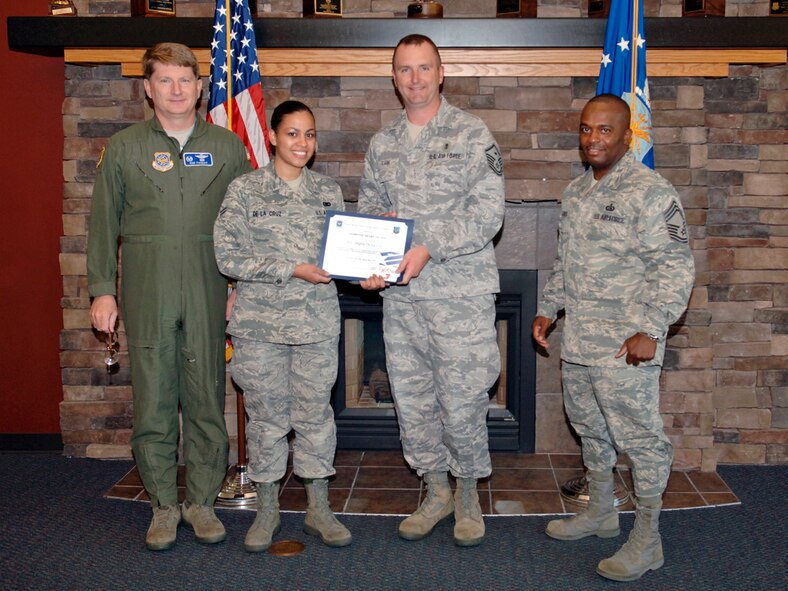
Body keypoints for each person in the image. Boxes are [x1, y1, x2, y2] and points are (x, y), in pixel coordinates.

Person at [87, 42, 253, 551]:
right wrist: (101, 292)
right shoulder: (124, 147)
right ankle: (162, 504)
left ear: (201, 87)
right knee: (155, 399)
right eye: (165, 80)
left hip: (208, 286)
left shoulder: (226, 147)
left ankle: (201, 502)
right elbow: (101, 226)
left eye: (186, 80)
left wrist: (240, 289)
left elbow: (246, 225)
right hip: (147, 287)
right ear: (148, 88)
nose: (177, 90)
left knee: (205, 397)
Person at [532, 94, 695, 582]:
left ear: (628, 136)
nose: (593, 139)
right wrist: (546, 308)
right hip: (580, 342)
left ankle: (647, 539)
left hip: (627, 346)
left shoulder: (651, 193)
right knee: (591, 429)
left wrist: (653, 327)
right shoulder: (576, 192)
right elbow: (567, 262)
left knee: (641, 441)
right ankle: (601, 512)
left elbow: (676, 266)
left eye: (605, 131)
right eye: (586, 130)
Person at [357, 34, 505, 547]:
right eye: (404, 69)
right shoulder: (383, 144)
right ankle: (435, 490)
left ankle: (467, 496)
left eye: (424, 68)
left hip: (459, 295)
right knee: (414, 400)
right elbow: (370, 213)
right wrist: (370, 267)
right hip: (402, 301)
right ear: (394, 79)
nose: (415, 78)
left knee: (463, 400)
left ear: (441, 74)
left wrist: (429, 247)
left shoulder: (472, 134)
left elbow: (488, 214)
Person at [213, 100, 352, 551]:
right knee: (266, 419)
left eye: (310, 134)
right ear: (272, 136)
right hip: (261, 328)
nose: (302, 143)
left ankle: (318, 508)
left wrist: (374, 262)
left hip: (316, 325)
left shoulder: (329, 191)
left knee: (316, 417)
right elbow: (227, 256)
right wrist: (291, 267)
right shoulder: (245, 190)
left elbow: (343, 256)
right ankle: (268, 509)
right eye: (292, 133)